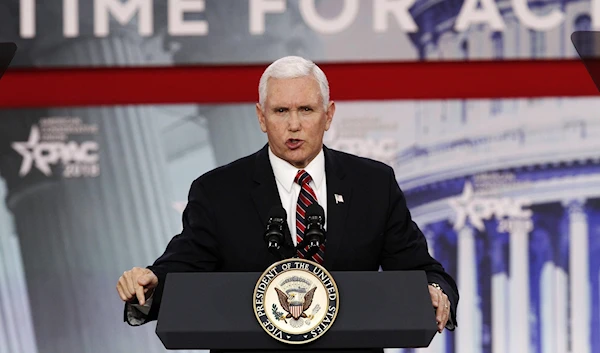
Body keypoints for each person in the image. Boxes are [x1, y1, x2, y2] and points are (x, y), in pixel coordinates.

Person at [116, 56, 458, 351]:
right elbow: (185, 264)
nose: (293, 125)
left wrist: (433, 291)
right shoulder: (218, 190)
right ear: (262, 118)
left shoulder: (372, 184)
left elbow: (423, 270)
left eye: (306, 110)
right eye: (281, 111)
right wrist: (153, 281)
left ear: (329, 115)